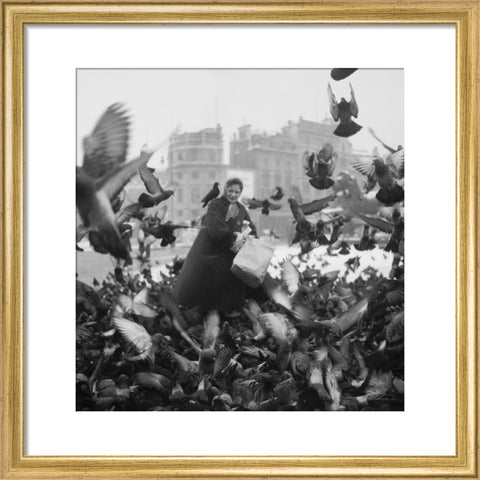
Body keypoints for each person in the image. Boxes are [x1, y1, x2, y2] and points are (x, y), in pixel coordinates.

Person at [173, 178, 258, 313]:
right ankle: (209, 312)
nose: (233, 195)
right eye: (230, 191)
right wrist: (232, 238)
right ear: (225, 190)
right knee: (209, 284)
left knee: (236, 281)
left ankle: (232, 310)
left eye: (237, 192)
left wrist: (250, 236)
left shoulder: (241, 209)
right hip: (213, 250)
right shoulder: (215, 205)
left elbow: (252, 229)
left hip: (233, 253)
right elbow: (216, 226)